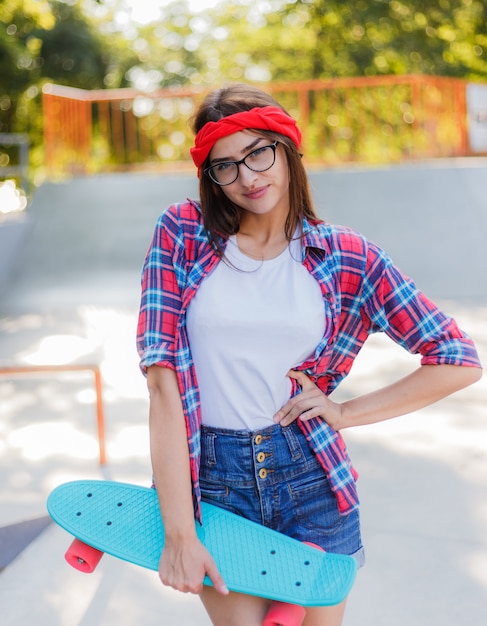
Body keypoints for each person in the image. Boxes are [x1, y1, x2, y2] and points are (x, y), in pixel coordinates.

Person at [136, 83, 482, 626]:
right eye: (225, 166)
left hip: (311, 481)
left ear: (287, 147)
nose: (247, 177)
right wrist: (179, 532)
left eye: (258, 153)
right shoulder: (182, 234)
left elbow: (456, 357)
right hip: (215, 484)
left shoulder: (346, 254)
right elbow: (162, 385)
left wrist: (345, 413)